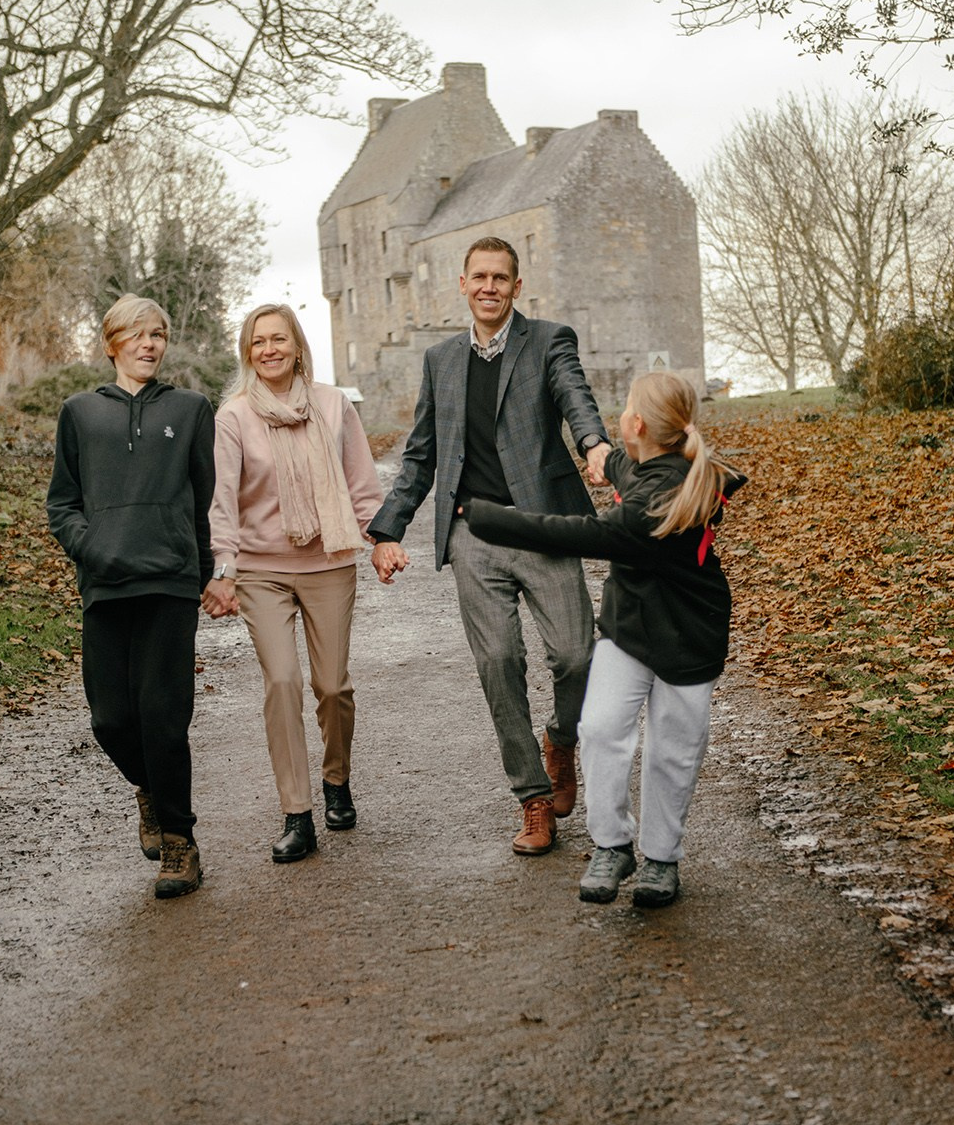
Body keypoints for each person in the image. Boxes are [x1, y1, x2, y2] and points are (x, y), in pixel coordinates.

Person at [368, 236, 611, 857]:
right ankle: (533, 798)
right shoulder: (440, 360)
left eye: (500, 278)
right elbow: (421, 454)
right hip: (472, 531)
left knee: (577, 656)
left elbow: (575, 397)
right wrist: (388, 528)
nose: (489, 287)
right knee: (498, 661)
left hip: (542, 525)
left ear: (516, 286)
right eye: (479, 276)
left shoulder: (549, 341)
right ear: (462, 283)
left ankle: (561, 739)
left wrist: (594, 445)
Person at [467, 369, 745, 908]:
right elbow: (622, 464)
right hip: (629, 629)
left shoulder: (658, 502)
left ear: (637, 424)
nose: (621, 420)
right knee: (598, 729)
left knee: (673, 752)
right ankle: (612, 845)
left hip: (688, 636)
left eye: (625, 412)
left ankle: (661, 858)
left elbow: (583, 533)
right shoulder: (653, 464)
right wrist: (598, 451)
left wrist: (489, 518)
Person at [47, 294, 216, 899]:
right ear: (112, 342)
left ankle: (179, 842)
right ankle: (151, 790)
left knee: (163, 719)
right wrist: (91, 548)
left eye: (158, 335)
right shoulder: (80, 413)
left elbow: (206, 499)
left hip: (170, 581)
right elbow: (62, 503)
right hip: (106, 587)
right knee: (112, 719)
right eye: (138, 334)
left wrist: (206, 571)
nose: (149, 344)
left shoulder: (191, 409)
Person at [202, 304, 383, 863]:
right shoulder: (233, 416)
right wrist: (225, 568)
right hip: (261, 570)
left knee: (333, 687)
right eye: (258, 342)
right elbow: (223, 499)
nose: (269, 350)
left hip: (329, 562)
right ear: (247, 352)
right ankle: (297, 813)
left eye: (278, 339)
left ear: (298, 346)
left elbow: (361, 483)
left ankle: (337, 780)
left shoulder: (332, 405)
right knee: (282, 681)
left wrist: (383, 539)